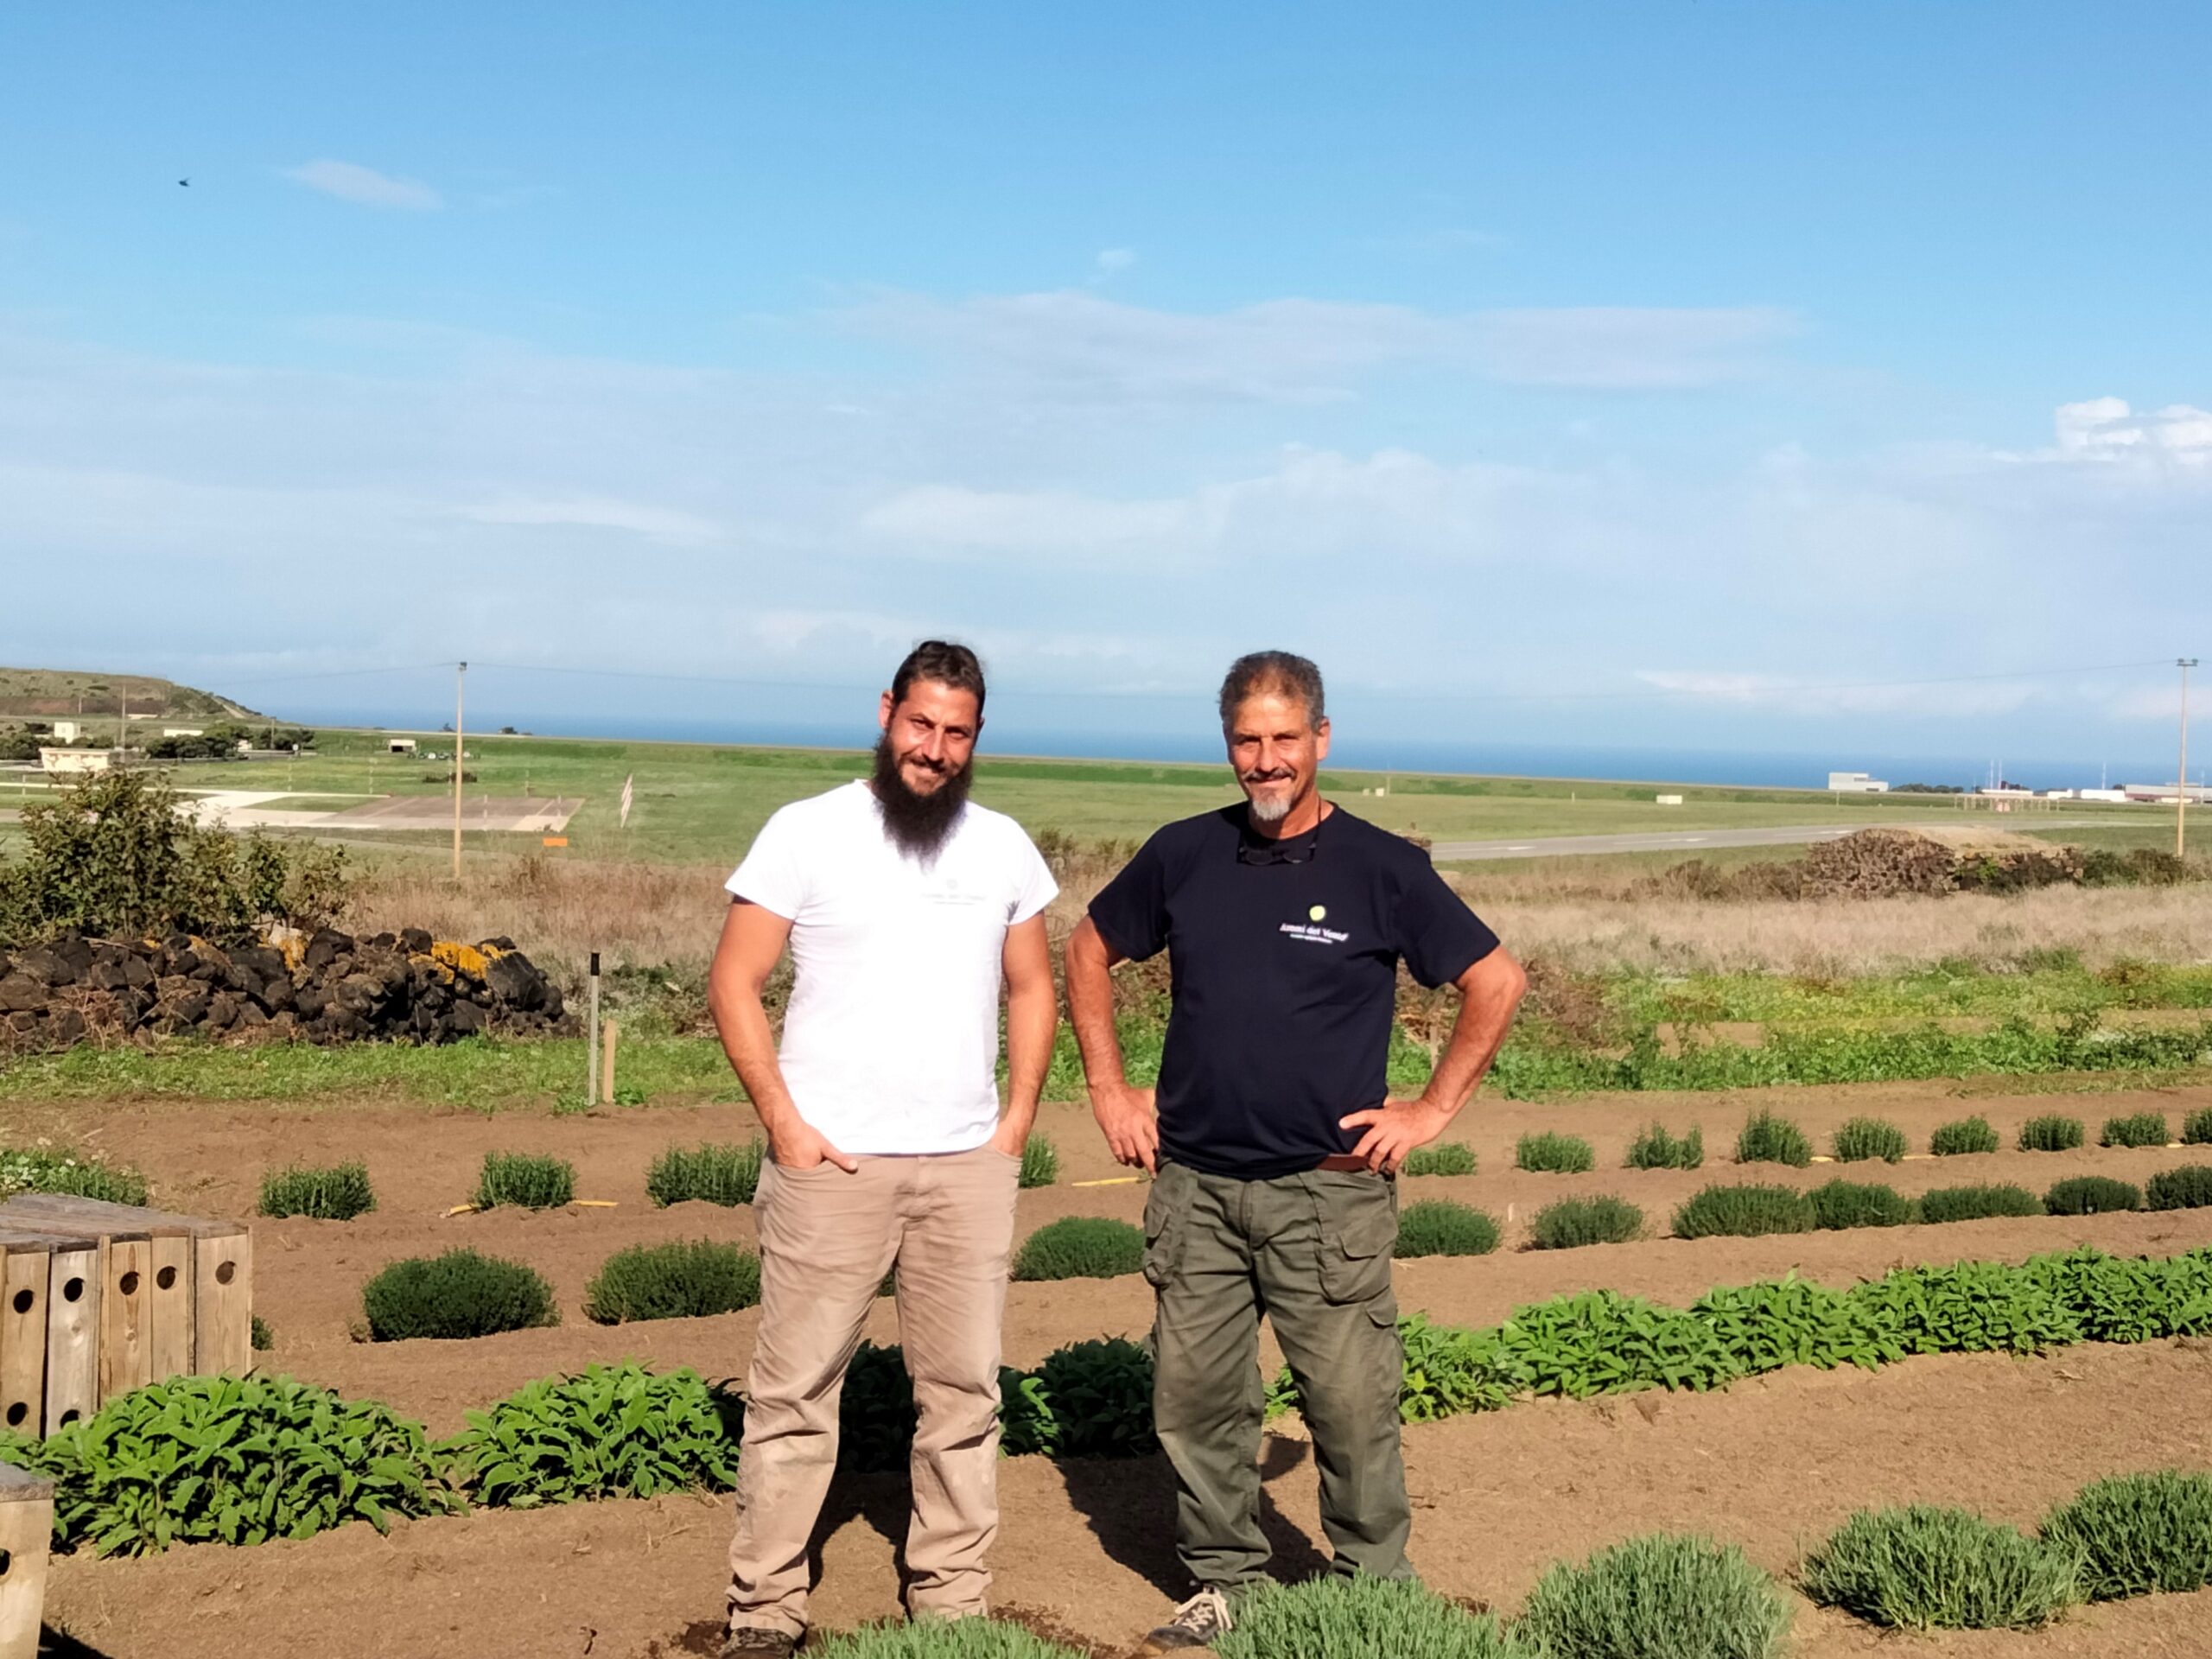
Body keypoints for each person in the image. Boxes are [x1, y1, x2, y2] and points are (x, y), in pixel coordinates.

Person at [1064, 650, 1525, 1653]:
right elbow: (1088, 948)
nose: (1264, 761)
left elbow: (1495, 980)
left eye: (1283, 739)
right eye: (1245, 740)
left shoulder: (1383, 868)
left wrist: (1430, 1110)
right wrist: (1109, 1087)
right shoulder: (1184, 854)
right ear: (1226, 743)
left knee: (1352, 1409)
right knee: (1195, 1405)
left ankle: (1375, 1592)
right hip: (1193, 1187)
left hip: (1329, 1197)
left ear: (1320, 739)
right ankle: (1227, 1585)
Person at [709, 640, 1060, 1659]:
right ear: (886, 714)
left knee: (962, 1396)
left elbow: (1030, 986)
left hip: (964, 1171)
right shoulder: (806, 832)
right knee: (793, 1397)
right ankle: (765, 1610)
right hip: (834, 1171)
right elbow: (735, 980)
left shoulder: (1002, 848)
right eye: (920, 724)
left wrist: (1016, 1124)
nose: (934, 749)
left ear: (976, 738)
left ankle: (950, 1600)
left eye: (956, 732)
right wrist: (786, 1123)